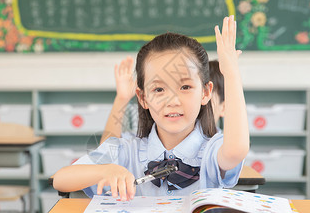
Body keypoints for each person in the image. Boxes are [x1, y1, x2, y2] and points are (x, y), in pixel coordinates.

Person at [53, 15, 249, 201]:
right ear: (143, 98)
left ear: (205, 93)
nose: (172, 100)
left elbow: (235, 151)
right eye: (159, 89)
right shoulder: (126, 150)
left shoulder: (211, 151)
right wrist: (106, 170)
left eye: (185, 87)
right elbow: (61, 179)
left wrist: (231, 74)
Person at [99, 57, 231, 146]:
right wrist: (122, 99)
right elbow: (107, 153)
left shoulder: (221, 145)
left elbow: (234, 153)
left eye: (186, 88)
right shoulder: (146, 141)